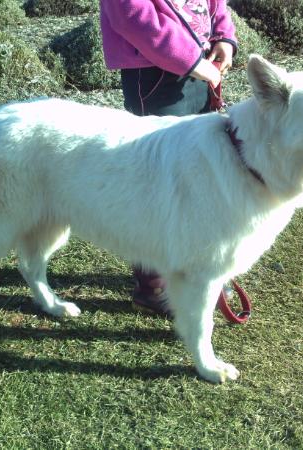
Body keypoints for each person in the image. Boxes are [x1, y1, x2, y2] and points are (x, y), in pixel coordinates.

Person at [100, 0, 238, 315]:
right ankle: (153, 282)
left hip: (199, 69)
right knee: (156, 179)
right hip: (154, 74)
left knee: (201, 172)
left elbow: (215, 6)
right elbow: (131, 16)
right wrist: (190, 61)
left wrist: (224, 38)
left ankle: (197, 265)